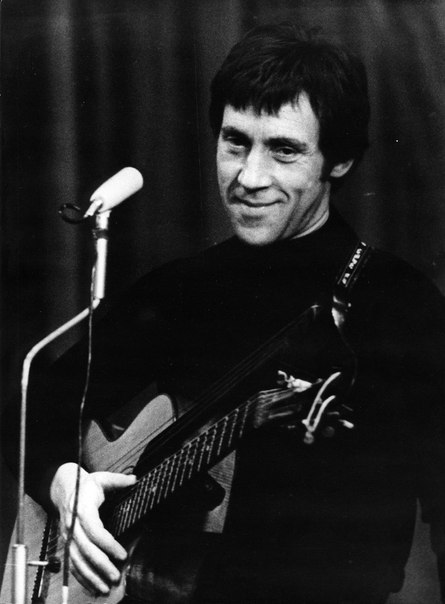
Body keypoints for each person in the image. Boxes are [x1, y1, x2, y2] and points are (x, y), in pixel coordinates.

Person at [3, 22, 445, 604]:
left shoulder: (401, 304)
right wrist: (65, 483)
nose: (249, 177)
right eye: (235, 142)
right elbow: (34, 405)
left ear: (338, 161)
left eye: (284, 150)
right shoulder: (184, 289)